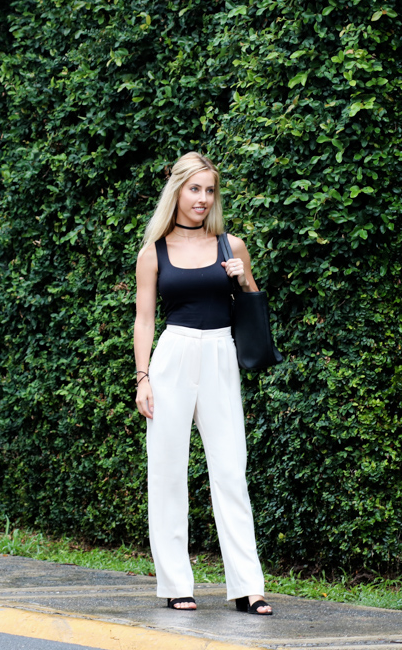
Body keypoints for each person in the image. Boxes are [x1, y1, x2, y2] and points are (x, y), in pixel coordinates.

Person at [133, 152, 272, 615]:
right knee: (167, 472)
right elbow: (144, 320)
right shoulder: (152, 253)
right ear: (177, 191)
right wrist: (143, 377)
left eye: (210, 190)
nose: (203, 198)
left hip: (219, 355)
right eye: (195, 189)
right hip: (172, 356)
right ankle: (176, 583)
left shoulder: (231, 245)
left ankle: (248, 587)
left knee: (231, 471)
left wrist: (244, 278)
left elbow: (253, 305)